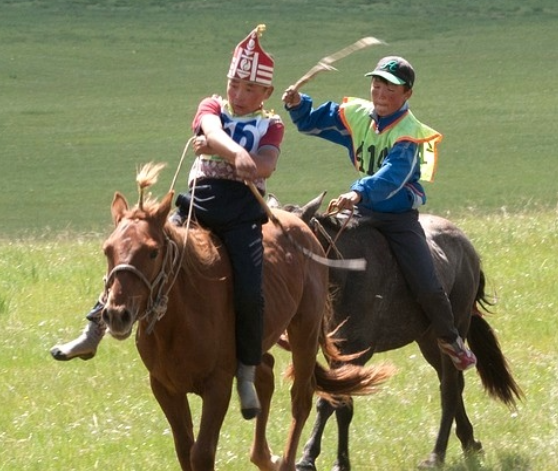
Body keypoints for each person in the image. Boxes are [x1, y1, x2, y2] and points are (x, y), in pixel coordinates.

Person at [51, 25, 283, 420]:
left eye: (248, 89)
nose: (239, 95)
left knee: (250, 291)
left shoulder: (271, 125)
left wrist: (235, 156)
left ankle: (246, 371)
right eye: (234, 85)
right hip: (197, 206)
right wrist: (231, 152)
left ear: (265, 95)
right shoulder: (211, 106)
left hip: (243, 214)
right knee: (135, 254)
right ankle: (94, 331)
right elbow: (209, 130)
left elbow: (266, 165)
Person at [281, 55, 477, 371]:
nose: (381, 93)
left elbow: (393, 175)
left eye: (390, 88)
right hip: (360, 213)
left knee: (426, 281)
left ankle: (451, 339)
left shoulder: (410, 133)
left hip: (397, 220)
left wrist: (358, 191)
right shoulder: (358, 115)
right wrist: (297, 104)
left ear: (407, 94)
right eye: (376, 84)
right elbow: (316, 120)